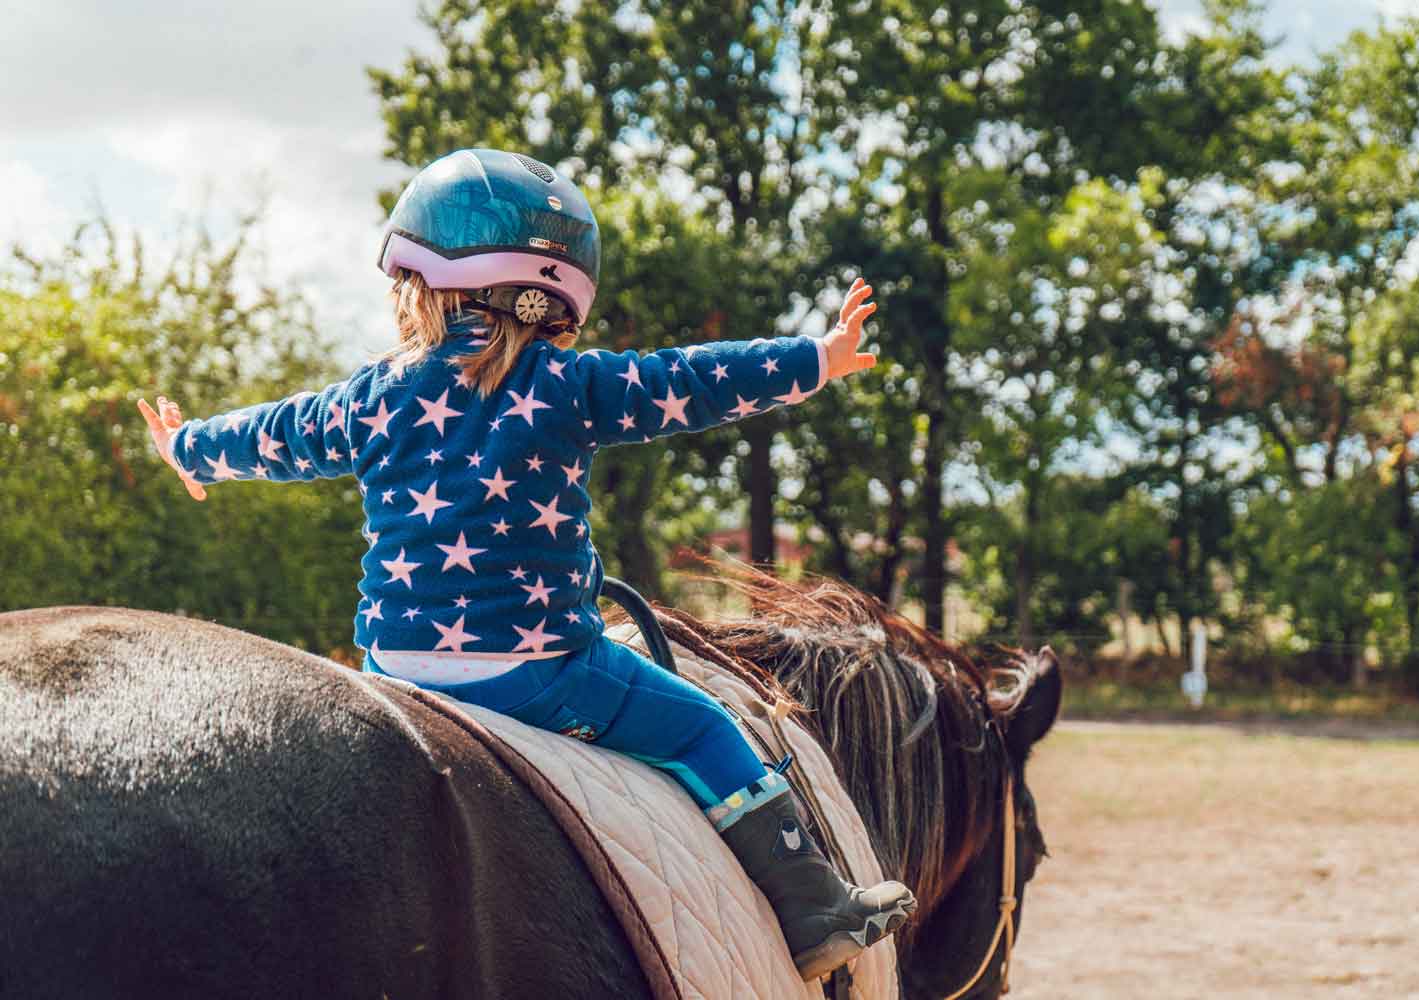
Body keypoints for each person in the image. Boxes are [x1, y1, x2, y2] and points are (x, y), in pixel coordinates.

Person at [137, 148, 914, 979]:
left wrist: (189, 448)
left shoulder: (371, 393)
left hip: (394, 672)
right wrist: (816, 360)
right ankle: (812, 908)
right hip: (538, 672)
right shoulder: (567, 384)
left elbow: (280, 434)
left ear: (417, 283)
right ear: (556, 298)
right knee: (701, 726)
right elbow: (689, 379)